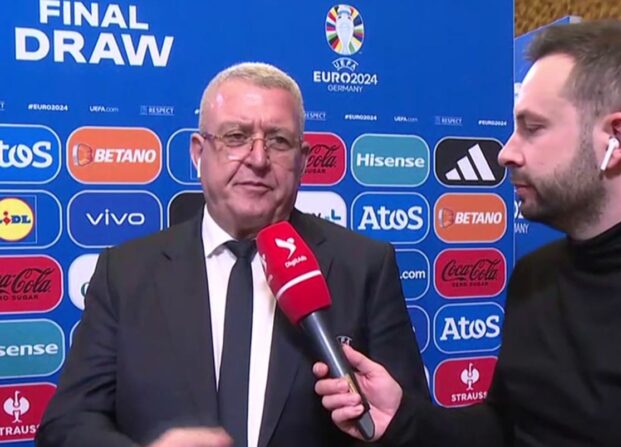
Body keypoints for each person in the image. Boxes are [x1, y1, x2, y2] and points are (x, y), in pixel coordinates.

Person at [314, 20, 621, 447]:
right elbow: (506, 428)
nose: (506, 153)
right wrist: (404, 419)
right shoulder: (536, 276)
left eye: (533, 128)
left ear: (615, 140)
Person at [37, 62, 428, 447]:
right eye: (236, 136)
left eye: (278, 140)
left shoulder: (364, 266)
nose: (258, 159)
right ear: (198, 152)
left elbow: (410, 427)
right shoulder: (125, 273)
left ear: (303, 159)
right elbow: (66, 425)